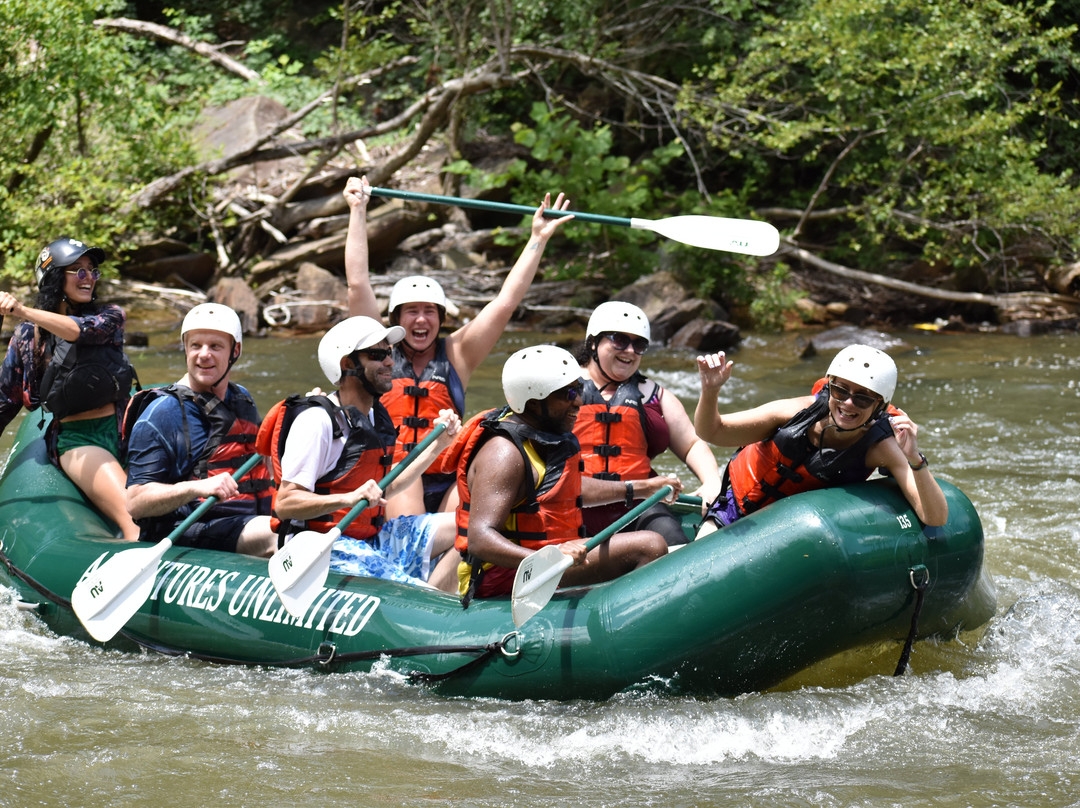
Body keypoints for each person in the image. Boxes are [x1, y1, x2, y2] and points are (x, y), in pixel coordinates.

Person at [343, 175, 573, 513]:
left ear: (440, 317)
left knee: (475, 496)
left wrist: (537, 238)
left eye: (429, 312)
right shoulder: (377, 352)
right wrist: (358, 210)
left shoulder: (457, 354)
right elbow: (357, 284)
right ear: (395, 319)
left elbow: (504, 303)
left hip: (447, 478)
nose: (421, 320)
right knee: (408, 486)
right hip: (394, 477)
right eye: (411, 312)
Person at [452, 344, 669, 603]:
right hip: (507, 576)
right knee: (650, 546)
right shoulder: (504, 454)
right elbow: (480, 540)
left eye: (579, 388)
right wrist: (550, 556)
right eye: (568, 393)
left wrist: (640, 489)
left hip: (543, 562)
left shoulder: (542, 434)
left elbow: (568, 489)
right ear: (533, 402)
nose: (579, 400)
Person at [258, 316, 461, 586]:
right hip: (323, 545)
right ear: (347, 364)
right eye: (377, 355)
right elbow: (286, 504)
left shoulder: (376, 416)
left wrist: (440, 444)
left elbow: (388, 486)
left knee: (467, 526)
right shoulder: (317, 422)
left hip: (371, 537)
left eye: (389, 353)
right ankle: (427, 604)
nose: (390, 362)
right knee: (406, 588)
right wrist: (349, 498)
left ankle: (438, 600)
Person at [694, 344, 948, 534]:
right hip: (733, 509)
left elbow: (934, 517)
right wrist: (710, 391)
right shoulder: (794, 412)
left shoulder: (881, 447)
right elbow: (712, 431)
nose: (848, 403)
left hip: (796, 532)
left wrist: (914, 457)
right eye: (840, 391)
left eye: (863, 398)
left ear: (879, 406)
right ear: (829, 388)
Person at [0, 237, 139, 540]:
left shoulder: (110, 316)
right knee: (136, 519)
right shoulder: (28, 337)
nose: (88, 278)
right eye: (78, 271)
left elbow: (78, 331)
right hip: (80, 439)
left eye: (92, 271)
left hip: (127, 430)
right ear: (53, 278)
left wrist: (21, 310)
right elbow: (5, 401)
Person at [124, 303, 277, 556]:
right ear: (185, 348)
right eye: (196, 345)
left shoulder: (242, 399)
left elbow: (263, 464)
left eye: (215, 346)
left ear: (235, 351)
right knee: (278, 533)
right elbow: (136, 502)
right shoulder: (163, 412)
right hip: (191, 531)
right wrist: (198, 488)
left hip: (246, 523)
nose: (204, 354)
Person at [574, 301, 721, 546]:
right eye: (619, 340)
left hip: (638, 506)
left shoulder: (654, 395)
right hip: (573, 505)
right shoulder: (562, 387)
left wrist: (711, 482)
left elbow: (691, 444)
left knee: (671, 538)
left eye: (639, 344)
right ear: (593, 343)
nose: (630, 350)